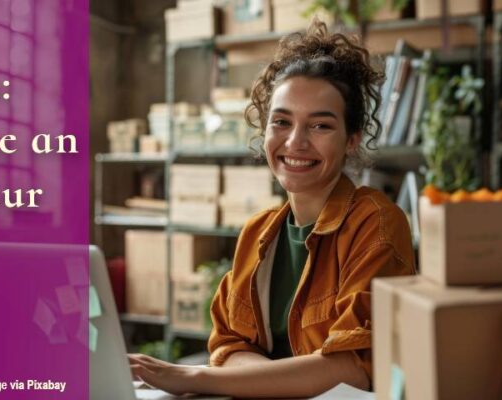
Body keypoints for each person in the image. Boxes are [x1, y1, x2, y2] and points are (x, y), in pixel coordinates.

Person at [128, 19, 416, 398]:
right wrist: (273, 383)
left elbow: (352, 369)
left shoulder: (376, 224)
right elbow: (229, 347)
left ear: (352, 140)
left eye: (320, 126)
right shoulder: (257, 233)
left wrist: (196, 378)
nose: (295, 142)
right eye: (281, 122)